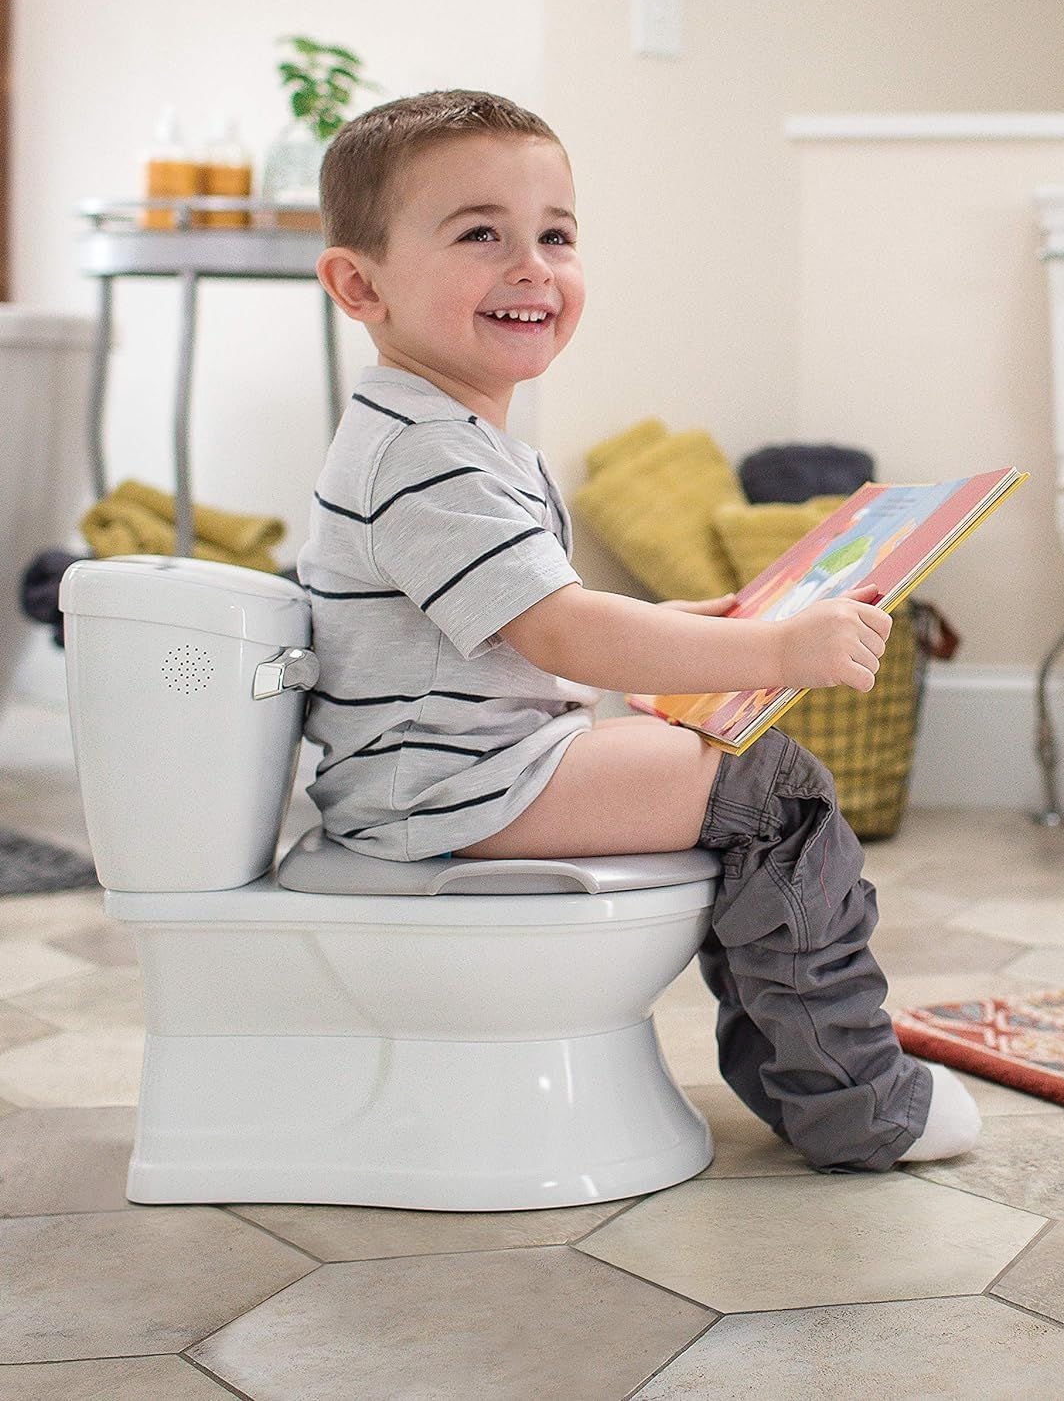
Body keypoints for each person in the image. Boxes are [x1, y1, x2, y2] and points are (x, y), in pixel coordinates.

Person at [301, 89, 981, 1173]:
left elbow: (514, 621)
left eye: (556, 236)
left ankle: (800, 1071)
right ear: (359, 282)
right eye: (482, 234)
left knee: (746, 784)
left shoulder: (443, 433)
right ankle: (857, 1099)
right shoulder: (422, 453)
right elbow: (565, 633)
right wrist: (772, 652)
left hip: (457, 771)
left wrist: (671, 623)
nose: (533, 266)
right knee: (773, 791)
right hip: (456, 787)